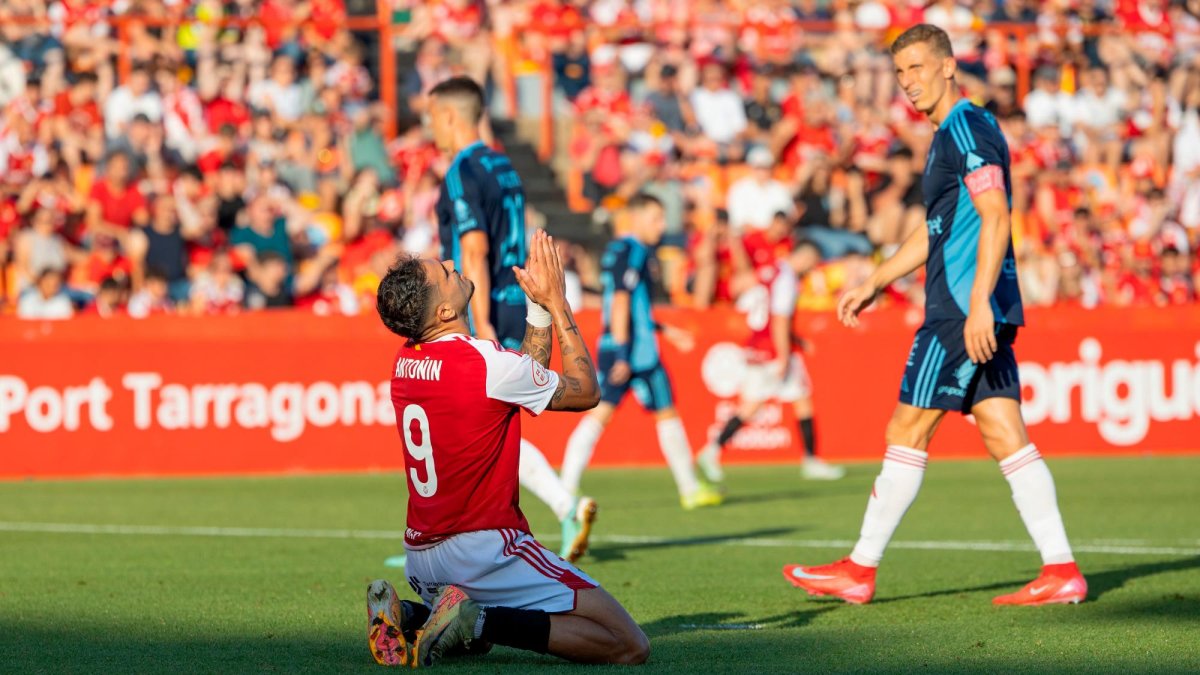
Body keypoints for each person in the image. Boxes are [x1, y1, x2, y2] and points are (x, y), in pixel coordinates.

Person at [782, 24, 1087, 607]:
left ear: (949, 66)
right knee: (1003, 431)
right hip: (977, 304)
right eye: (901, 72)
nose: (908, 81)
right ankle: (1061, 570)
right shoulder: (952, 133)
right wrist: (876, 280)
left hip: (961, 309)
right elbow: (939, 230)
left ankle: (859, 569)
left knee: (906, 430)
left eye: (918, 67)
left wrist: (978, 304)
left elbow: (995, 214)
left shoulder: (966, 126)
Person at [367, 230, 649, 668]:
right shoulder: (484, 363)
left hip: (422, 561)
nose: (452, 264)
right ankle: (473, 618)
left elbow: (521, 376)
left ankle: (410, 614)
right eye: (444, 272)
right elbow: (586, 391)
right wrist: (557, 302)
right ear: (444, 311)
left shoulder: (406, 360)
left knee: (476, 647)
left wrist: (535, 310)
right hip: (483, 551)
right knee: (628, 644)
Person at [422, 75, 595, 563]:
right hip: (513, 300)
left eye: (432, 117)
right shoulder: (503, 164)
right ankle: (464, 534)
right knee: (486, 427)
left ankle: (562, 507)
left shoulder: (461, 170)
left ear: (450, 115)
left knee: (472, 430)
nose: (431, 127)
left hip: (478, 311)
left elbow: (474, 249)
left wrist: (480, 325)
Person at [560, 194, 722, 509]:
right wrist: (623, 353)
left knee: (649, 413)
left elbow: (630, 306)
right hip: (634, 351)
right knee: (617, 415)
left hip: (628, 345)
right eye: (655, 219)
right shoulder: (634, 251)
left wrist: (664, 330)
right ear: (636, 218)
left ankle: (567, 486)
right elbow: (621, 302)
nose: (661, 226)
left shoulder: (619, 250)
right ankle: (689, 489)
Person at [696, 241, 845, 484]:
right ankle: (712, 450)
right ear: (806, 258)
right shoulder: (787, 279)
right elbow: (779, 319)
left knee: (800, 400)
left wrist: (796, 341)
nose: (810, 270)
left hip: (759, 346)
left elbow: (745, 293)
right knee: (753, 406)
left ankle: (811, 460)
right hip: (772, 351)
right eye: (811, 264)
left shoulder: (771, 270)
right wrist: (784, 355)